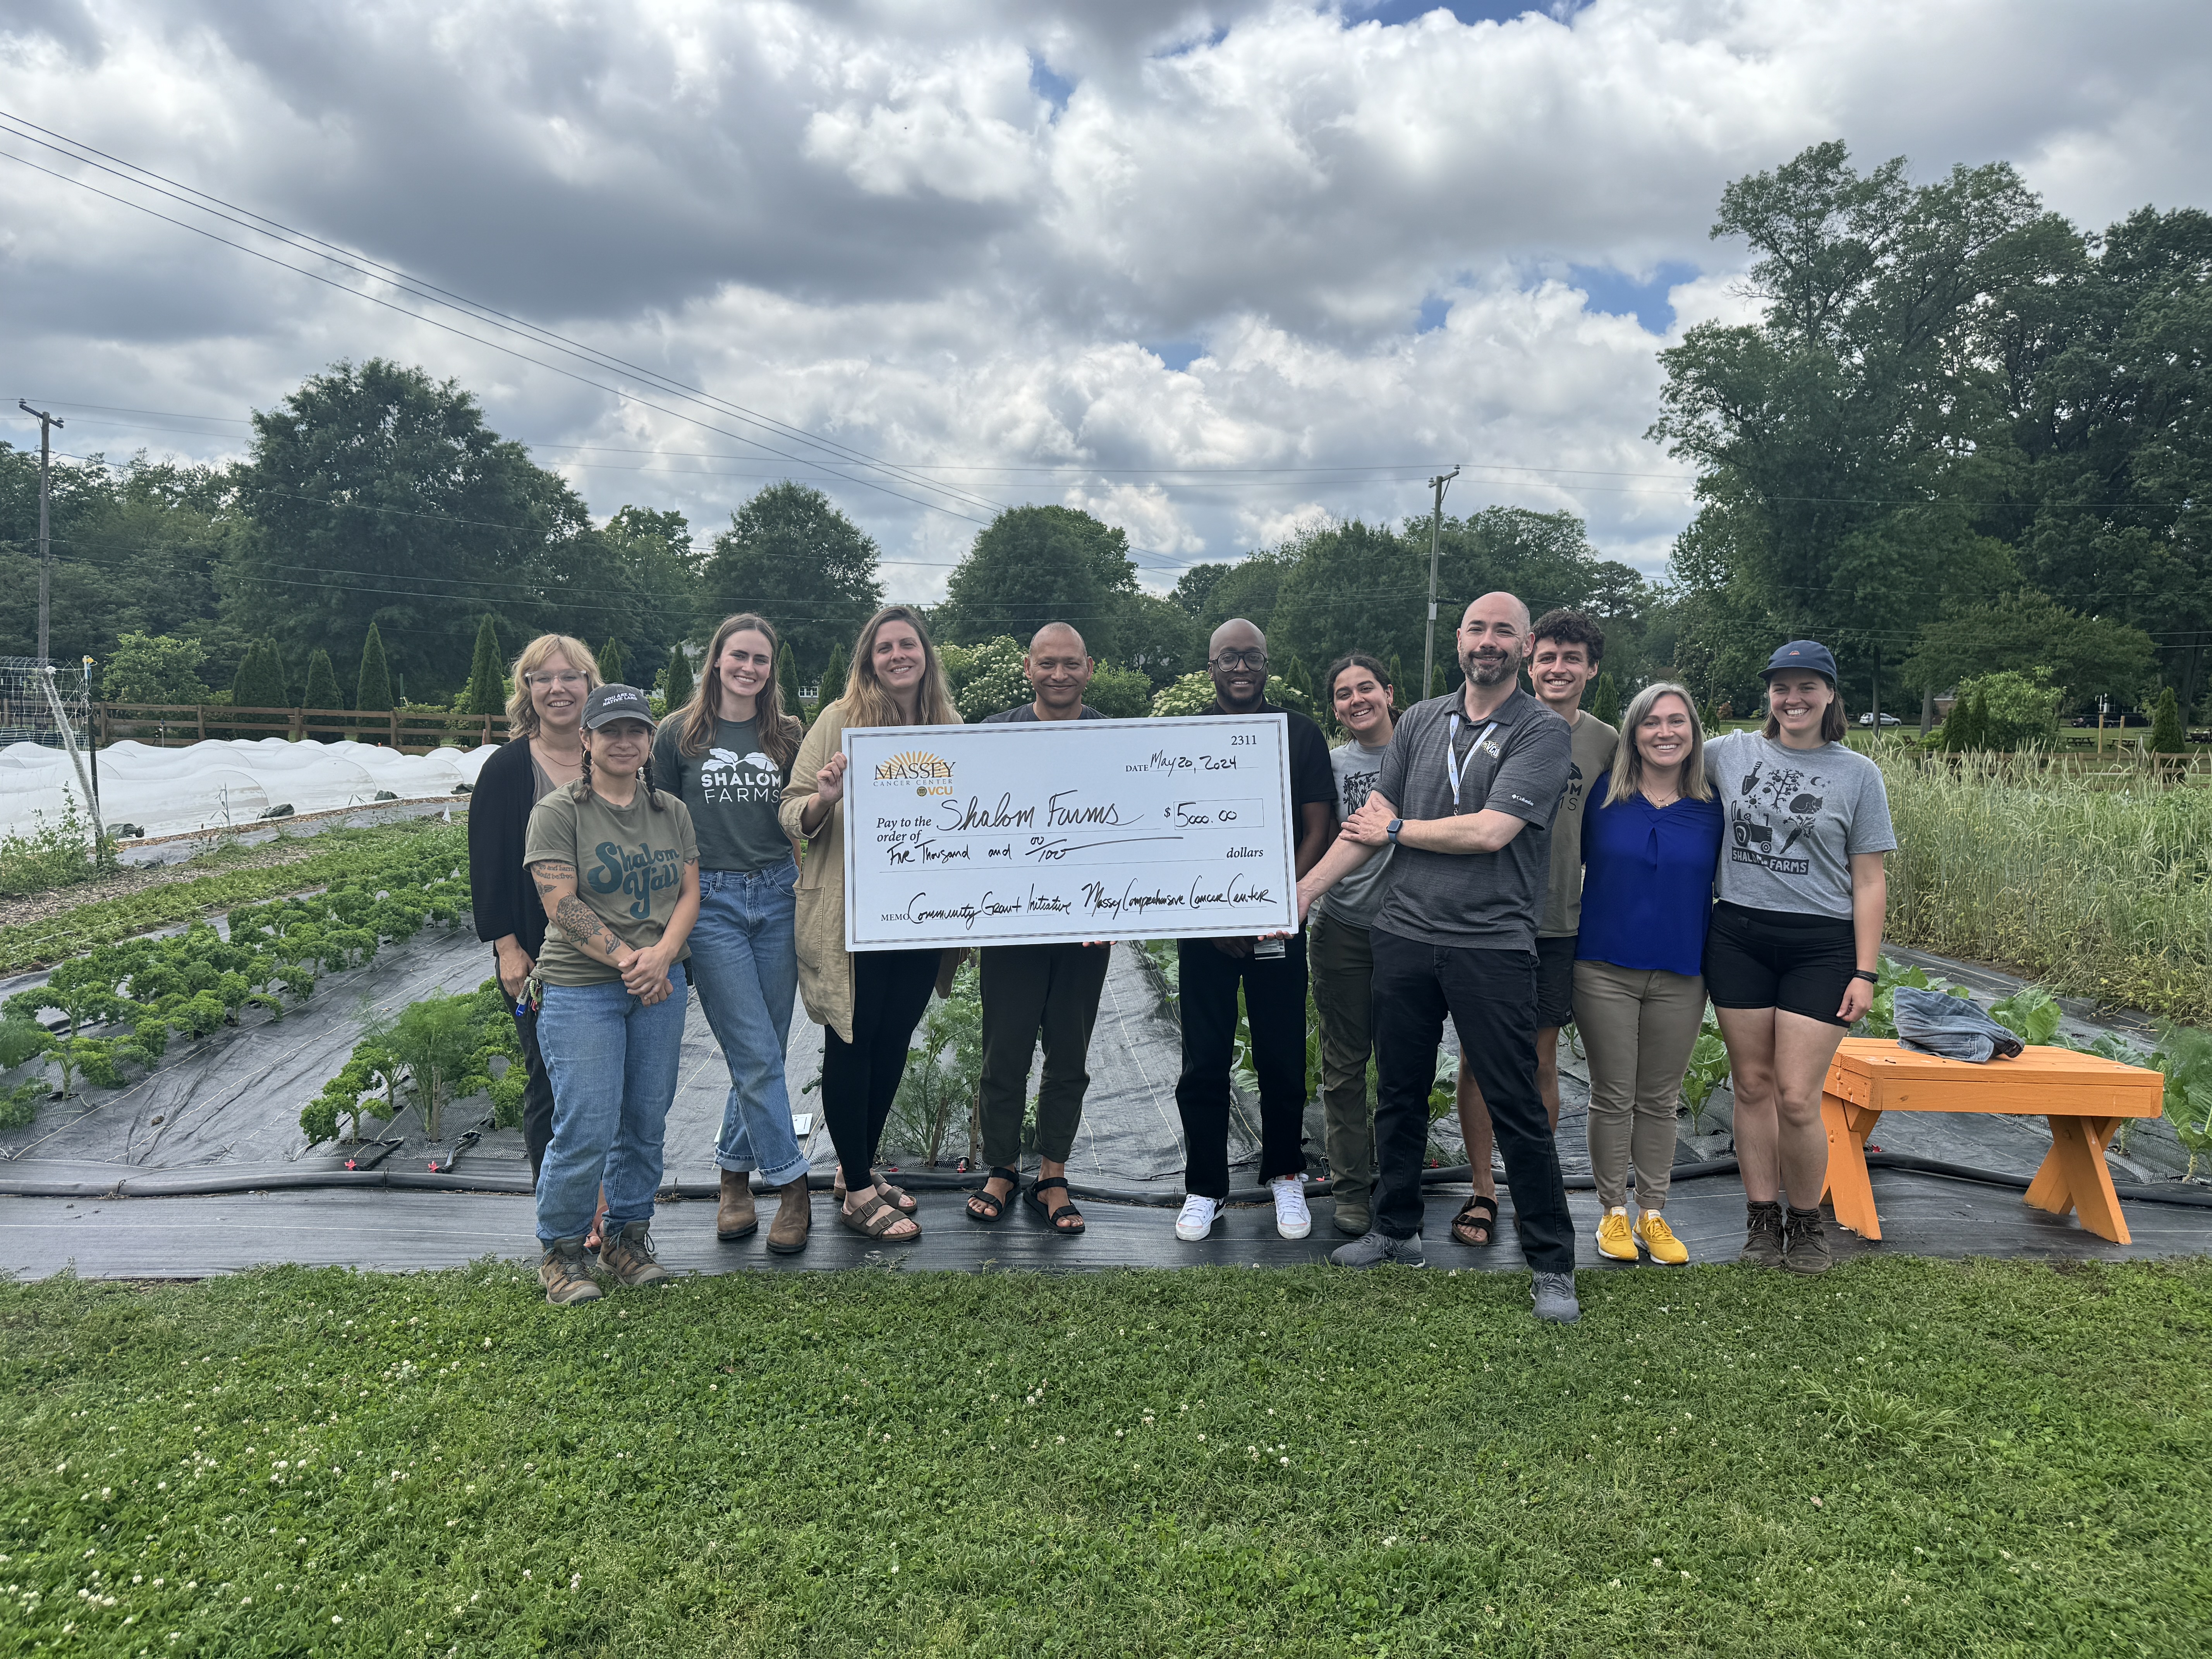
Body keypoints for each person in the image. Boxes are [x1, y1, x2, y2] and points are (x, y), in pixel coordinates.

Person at [1295, 592, 1581, 1324]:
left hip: (1491, 943)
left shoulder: (1541, 732)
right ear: (1459, 639)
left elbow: (1491, 832)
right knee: (1398, 1090)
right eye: (1478, 629)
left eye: (1504, 632)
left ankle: (1553, 1264)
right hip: (1404, 937)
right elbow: (1365, 827)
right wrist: (1301, 895)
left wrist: (1399, 831)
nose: (1489, 642)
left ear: (1523, 645)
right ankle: (1396, 1230)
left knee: (1515, 1102)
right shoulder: (1421, 721)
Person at [1704, 641, 1894, 1274]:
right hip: (1738, 937)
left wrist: (1865, 972)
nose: (1793, 699)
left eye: (1808, 687)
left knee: (1795, 1095)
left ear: (1831, 695)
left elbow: (1869, 880)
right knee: (1752, 1085)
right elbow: (1656, 755)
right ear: (1769, 695)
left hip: (1822, 945)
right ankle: (1762, 1221)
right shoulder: (1730, 754)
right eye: (1782, 687)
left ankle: (1807, 1222)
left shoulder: (1858, 775)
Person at [780, 605, 966, 1243]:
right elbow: (789, 811)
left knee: (893, 1041)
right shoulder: (840, 721)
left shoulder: (949, 725)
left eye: (906, 645)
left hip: (920, 919)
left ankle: (853, 1168)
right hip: (853, 914)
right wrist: (823, 800)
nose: (896, 656)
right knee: (853, 1040)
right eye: (884, 647)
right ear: (869, 659)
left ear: (925, 656)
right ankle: (857, 1188)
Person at [525, 684, 699, 1306]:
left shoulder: (670, 811)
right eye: (611, 731)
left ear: (650, 741)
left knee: (645, 1120)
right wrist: (631, 959)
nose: (625, 742)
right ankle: (563, 1253)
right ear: (588, 741)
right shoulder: (559, 812)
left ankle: (629, 1238)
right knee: (586, 1124)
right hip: (583, 987)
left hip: (659, 984)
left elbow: (688, 894)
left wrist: (661, 958)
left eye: (636, 731)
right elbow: (560, 902)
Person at [1451, 608, 1615, 1248]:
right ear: (1526, 657)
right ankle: (1483, 1188)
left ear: (1591, 670)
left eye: (1571, 659)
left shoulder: (1605, 744)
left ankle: (1529, 1188)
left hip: (1554, 922)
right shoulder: (1489, 726)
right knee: (1474, 1059)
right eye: (1547, 656)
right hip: (1485, 918)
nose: (1557, 669)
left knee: (1541, 1059)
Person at [1171, 618, 1336, 1244]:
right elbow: (1168, 836)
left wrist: (1269, 905)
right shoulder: (1181, 738)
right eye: (1228, 658)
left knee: (1282, 1056)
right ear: (1210, 667)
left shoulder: (1297, 732)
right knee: (1204, 1061)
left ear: (1268, 664)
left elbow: (1317, 830)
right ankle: (1205, 1187)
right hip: (1204, 930)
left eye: (1252, 658)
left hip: (1277, 924)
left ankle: (1286, 1174)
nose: (1240, 668)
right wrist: (1215, 913)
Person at [654, 613, 812, 1255]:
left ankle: (732, 1177)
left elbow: (807, 813)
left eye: (761, 660)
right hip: (711, 900)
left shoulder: (788, 735)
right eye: (738, 656)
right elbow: (660, 821)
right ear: (716, 660)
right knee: (752, 1049)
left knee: (765, 1049)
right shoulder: (678, 734)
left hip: (778, 895)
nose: (749, 668)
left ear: (771, 670)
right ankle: (793, 1186)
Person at [967, 622, 1112, 1236]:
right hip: (1010, 929)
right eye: (1047, 664)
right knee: (1005, 1055)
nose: (1059, 675)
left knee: (1069, 1057)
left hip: (1086, 930)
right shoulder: (991, 736)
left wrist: (1115, 909)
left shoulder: (1115, 741)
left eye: (1070, 664)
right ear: (1027, 667)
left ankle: (1053, 1174)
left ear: (1089, 668)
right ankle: (1000, 1169)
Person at [1574, 682, 1724, 1267]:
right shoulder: (1603, 801)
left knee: (1660, 1100)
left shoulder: (1714, 806)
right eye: (1651, 722)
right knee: (1613, 1095)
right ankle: (1612, 1211)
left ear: (1694, 733)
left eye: (1677, 722)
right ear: (1632, 733)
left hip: (1683, 972)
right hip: (1603, 967)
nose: (1665, 732)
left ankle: (1653, 1212)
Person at [466, 633, 601, 1181]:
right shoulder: (508, 768)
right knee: (552, 1083)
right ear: (528, 689)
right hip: (544, 960)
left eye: (569, 676)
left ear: (590, 684)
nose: (558, 688)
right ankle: (558, 1211)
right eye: (542, 678)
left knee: (608, 1086)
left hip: (617, 953)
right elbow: (488, 865)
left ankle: (607, 1209)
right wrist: (507, 949)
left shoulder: (620, 753)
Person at [1306, 653, 1396, 1238]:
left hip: (1408, 931)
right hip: (1340, 929)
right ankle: (1351, 1190)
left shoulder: (1420, 752)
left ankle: (1397, 1181)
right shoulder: (1330, 764)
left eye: (1366, 688)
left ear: (1389, 693)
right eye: (1343, 693)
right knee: (1344, 1065)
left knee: (1402, 1066)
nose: (1356, 700)